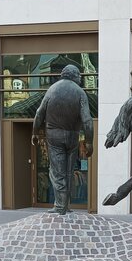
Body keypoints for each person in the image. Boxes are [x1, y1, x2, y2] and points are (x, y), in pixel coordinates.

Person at [32, 64, 93, 214]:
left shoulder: (52, 89)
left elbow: (39, 113)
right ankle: (64, 205)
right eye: (79, 75)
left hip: (54, 136)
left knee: (57, 172)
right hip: (72, 136)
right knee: (68, 171)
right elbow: (87, 120)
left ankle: (60, 206)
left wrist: (34, 132)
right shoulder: (80, 93)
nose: (80, 78)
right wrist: (89, 141)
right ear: (73, 75)